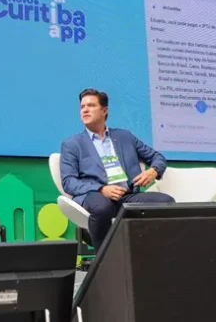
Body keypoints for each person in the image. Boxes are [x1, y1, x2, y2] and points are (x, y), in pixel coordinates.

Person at [59, 88, 175, 252]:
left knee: (166, 202)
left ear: (104, 110)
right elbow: (68, 182)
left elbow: (157, 157)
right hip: (94, 195)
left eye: (91, 105)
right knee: (102, 207)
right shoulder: (72, 144)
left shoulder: (125, 137)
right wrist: (101, 188)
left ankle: (150, 253)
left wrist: (153, 170)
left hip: (126, 196)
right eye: (82, 106)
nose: (85, 110)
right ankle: (104, 258)